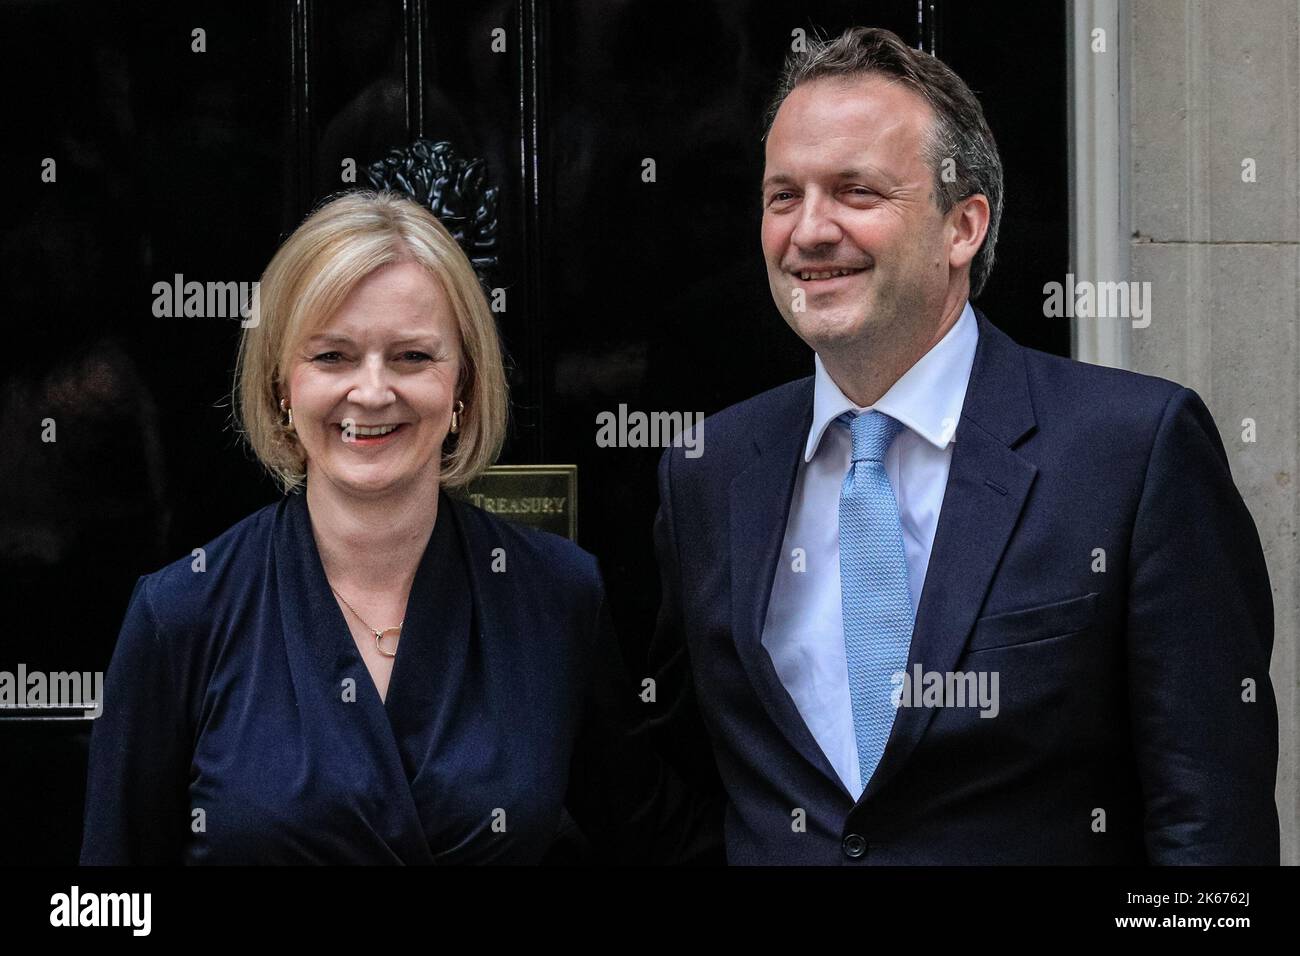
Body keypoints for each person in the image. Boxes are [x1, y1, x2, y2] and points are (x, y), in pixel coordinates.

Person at [643, 26, 1279, 864]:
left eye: (856, 191)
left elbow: (1210, 833)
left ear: (963, 226)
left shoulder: (1132, 453)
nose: (809, 231)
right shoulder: (709, 468)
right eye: (783, 195)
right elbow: (686, 787)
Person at [80, 190, 719, 864]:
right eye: (332, 357)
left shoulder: (555, 595)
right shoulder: (182, 613)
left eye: (413, 356)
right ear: (279, 384)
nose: (374, 390)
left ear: (462, 384)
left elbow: (656, 842)